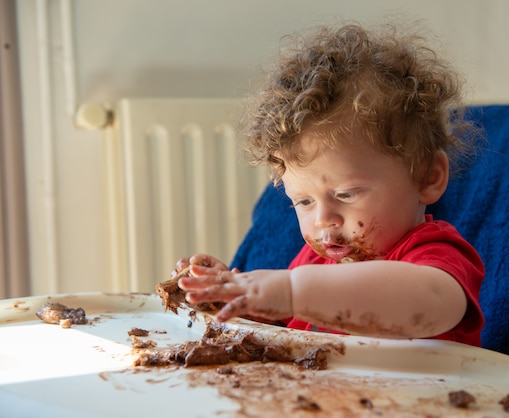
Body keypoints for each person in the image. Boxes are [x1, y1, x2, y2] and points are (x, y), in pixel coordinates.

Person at [174, 22, 485, 346]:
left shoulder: (433, 255)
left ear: (427, 176)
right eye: (304, 202)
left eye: (346, 194)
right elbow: (287, 331)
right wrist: (239, 300)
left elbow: (429, 302)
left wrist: (293, 292)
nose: (323, 219)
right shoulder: (316, 262)